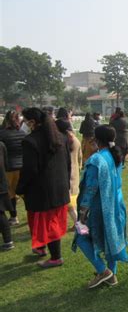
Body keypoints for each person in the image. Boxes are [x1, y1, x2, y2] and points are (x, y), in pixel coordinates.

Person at [73, 125, 128, 288]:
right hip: (116, 206)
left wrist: (82, 211)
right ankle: (112, 275)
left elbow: (90, 188)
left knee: (81, 236)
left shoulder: (96, 160)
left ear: (96, 140)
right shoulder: (116, 155)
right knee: (110, 239)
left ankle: (103, 271)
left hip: (98, 210)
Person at [16, 107, 71, 267]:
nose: (24, 124)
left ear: (32, 122)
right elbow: (67, 165)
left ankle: (56, 257)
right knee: (44, 221)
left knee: (48, 223)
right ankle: (40, 248)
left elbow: (29, 170)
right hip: (58, 188)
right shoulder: (61, 137)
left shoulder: (30, 141)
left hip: (42, 190)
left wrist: (20, 188)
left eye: (25, 121)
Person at [0, 110, 26, 226]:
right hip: (22, 167)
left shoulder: (2, 134)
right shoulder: (22, 133)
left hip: (8, 168)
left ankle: (14, 217)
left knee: (10, 194)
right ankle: (33, 212)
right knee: (24, 193)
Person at [56, 120, 82, 230]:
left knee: (69, 205)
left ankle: (81, 227)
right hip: (74, 173)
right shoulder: (75, 140)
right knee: (71, 203)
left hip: (65, 175)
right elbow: (80, 158)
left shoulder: (61, 141)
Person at [0, 141, 14, 250]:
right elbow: (6, 164)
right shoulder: (1, 144)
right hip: (2, 181)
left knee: (0, 213)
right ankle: (8, 240)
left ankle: (8, 240)